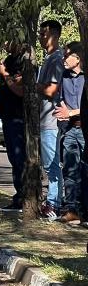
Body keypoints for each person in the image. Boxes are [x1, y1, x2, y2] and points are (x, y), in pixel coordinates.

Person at [54, 42, 85, 224]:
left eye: (67, 56)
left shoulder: (85, 76)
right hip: (70, 129)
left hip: (84, 128)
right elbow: (60, 98)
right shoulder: (63, 76)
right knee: (70, 169)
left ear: (78, 58)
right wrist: (62, 109)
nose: (63, 59)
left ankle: (84, 210)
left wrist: (71, 112)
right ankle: (72, 210)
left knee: (84, 170)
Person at [37, 19, 64, 220]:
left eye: (43, 34)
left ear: (53, 34)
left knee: (52, 165)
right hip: (44, 118)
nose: (40, 37)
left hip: (51, 120)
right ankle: (52, 202)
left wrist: (32, 84)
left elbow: (52, 89)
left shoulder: (57, 59)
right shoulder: (49, 58)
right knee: (48, 165)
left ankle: (54, 204)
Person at [0, 42, 27, 213]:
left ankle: (23, 196)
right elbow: (0, 87)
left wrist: (5, 74)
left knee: (19, 157)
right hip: (6, 115)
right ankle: (18, 195)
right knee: (13, 158)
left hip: (18, 116)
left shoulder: (24, 62)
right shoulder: (7, 60)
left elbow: (19, 90)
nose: (5, 44)